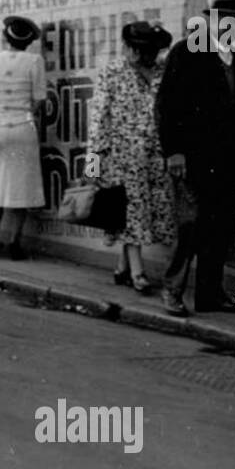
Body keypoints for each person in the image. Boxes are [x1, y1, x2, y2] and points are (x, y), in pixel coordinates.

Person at [156, 0, 235, 316]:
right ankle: (172, 290)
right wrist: (174, 151)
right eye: (226, 19)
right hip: (191, 158)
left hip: (226, 161)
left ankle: (210, 294)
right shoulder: (186, 52)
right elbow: (167, 106)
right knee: (190, 225)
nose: (232, 26)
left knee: (220, 227)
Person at [89, 20, 177, 290]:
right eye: (138, 49)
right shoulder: (112, 72)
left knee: (147, 212)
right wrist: (92, 167)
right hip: (122, 156)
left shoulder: (164, 72)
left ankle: (122, 267)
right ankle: (138, 273)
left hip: (156, 155)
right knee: (131, 211)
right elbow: (98, 119)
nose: (143, 55)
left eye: (148, 50)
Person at [0, 16, 49, 260]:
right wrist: (27, 111)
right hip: (22, 126)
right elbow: (39, 98)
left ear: (6, 37)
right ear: (29, 41)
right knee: (21, 189)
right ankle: (12, 243)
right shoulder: (34, 61)